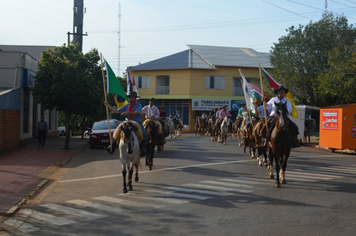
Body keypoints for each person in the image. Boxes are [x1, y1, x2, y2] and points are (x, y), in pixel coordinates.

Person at [104, 92, 148, 156]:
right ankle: (111, 147)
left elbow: (136, 113)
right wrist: (108, 106)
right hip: (127, 122)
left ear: (135, 98)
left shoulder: (139, 105)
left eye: (132, 97)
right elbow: (116, 111)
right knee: (116, 132)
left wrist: (127, 113)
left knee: (145, 133)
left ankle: (143, 148)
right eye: (130, 97)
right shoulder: (126, 105)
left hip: (136, 122)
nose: (131, 98)